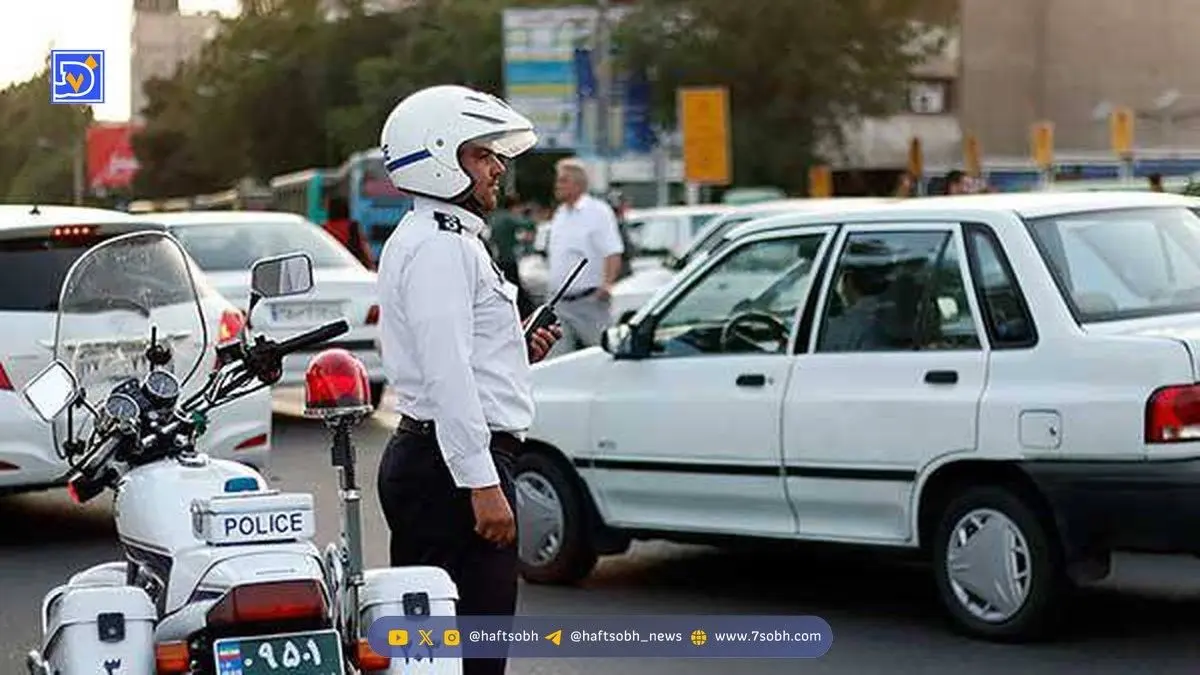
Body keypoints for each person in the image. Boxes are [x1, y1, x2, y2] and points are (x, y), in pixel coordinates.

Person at [373, 84, 562, 675]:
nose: (497, 168)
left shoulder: (437, 238)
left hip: (437, 462)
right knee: (470, 660)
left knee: (435, 659)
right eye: (482, 155)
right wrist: (482, 484)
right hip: (450, 472)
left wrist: (515, 352)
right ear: (438, 157)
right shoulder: (441, 248)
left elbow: (455, 358)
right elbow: (447, 374)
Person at [543, 157, 625, 358]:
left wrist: (607, 284)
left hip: (589, 301)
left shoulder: (598, 212)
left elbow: (612, 251)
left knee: (604, 355)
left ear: (578, 184)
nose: (557, 185)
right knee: (556, 361)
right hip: (559, 304)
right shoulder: (560, 214)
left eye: (563, 180)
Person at [486, 194, 536, 317]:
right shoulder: (508, 218)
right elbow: (528, 224)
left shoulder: (495, 216)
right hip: (507, 260)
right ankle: (526, 314)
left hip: (496, 260)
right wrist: (528, 214)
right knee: (517, 289)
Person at [323, 196, 375, 269]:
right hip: (352, 265)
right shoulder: (353, 226)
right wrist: (371, 265)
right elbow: (364, 247)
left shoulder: (324, 228)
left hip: (331, 267)